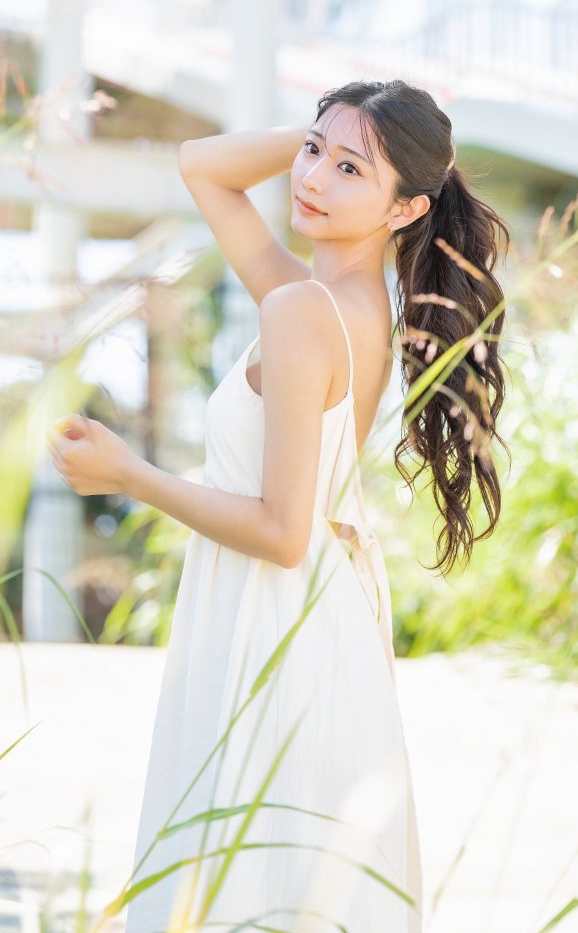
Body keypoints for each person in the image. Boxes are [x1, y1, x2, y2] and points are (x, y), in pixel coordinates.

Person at [47, 78, 510, 932]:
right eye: (311, 152)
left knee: (238, 890)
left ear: (406, 209)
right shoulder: (335, 303)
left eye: (350, 170)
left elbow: (281, 532)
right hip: (309, 622)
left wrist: (129, 474)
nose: (312, 179)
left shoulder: (302, 310)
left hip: (274, 621)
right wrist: (348, 127)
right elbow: (203, 166)